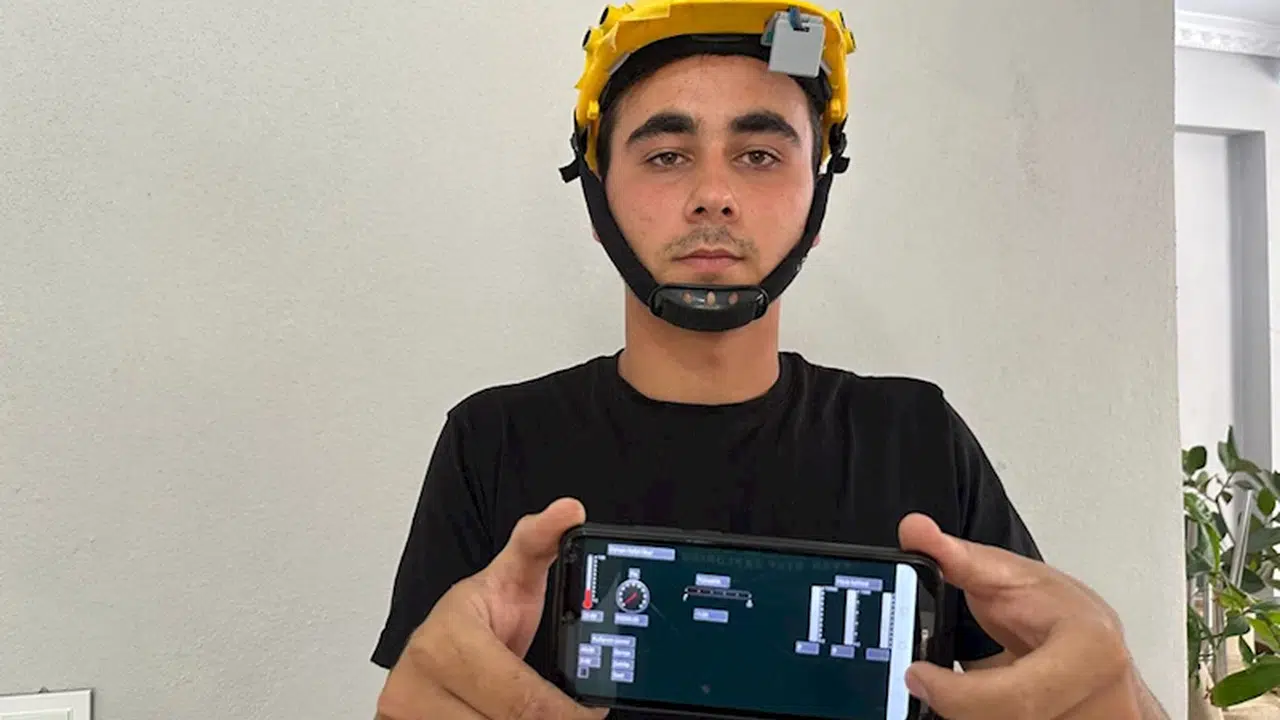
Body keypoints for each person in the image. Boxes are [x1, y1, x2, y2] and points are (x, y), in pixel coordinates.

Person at [371, 1, 1170, 718]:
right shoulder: (492, 441)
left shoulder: (916, 434)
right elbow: (431, 689)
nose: (713, 195)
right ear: (595, 193)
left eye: (758, 154)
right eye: (666, 155)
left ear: (817, 201)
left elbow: (1050, 685)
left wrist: (1126, 696)